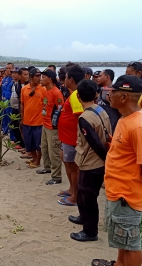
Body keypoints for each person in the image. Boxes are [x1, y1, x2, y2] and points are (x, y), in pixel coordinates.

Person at [92, 75, 142, 266]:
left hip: (127, 195)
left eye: (112, 92)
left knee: (131, 243)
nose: (108, 95)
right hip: (118, 191)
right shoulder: (125, 119)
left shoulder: (139, 127)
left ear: (124, 97)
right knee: (123, 240)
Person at [69, 79, 111, 242]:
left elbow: (95, 143)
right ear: (96, 95)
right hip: (94, 161)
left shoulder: (84, 118)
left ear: (78, 96)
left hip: (92, 163)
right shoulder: (101, 109)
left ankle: (90, 231)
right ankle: (83, 217)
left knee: (88, 196)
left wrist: (106, 161)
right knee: (84, 193)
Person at [57, 65, 85, 206]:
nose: (64, 79)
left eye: (66, 77)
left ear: (71, 79)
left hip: (72, 138)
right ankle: (71, 189)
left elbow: (81, 118)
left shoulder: (76, 95)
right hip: (67, 138)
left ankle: (75, 196)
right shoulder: (73, 93)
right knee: (67, 164)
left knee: (74, 168)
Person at [36, 70, 64, 185]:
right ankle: (47, 167)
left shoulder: (56, 93)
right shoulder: (47, 91)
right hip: (45, 124)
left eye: (43, 77)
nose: (40, 79)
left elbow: (61, 109)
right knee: (44, 147)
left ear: (50, 79)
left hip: (53, 127)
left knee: (54, 151)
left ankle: (57, 176)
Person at [20, 68, 44, 168]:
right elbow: (22, 104)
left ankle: (38, 161)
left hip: (39, 122)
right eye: (36, 76)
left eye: (40, 76)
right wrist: (22, 117)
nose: (39, 78)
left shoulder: (43, 89)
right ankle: (34, 158)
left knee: (38, 144)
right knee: (29, 142)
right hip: (27, 121)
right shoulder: (24, 89)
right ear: (31, 77)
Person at [97, 69, 120, 133]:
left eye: (100, 76)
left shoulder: (112, 92)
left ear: (107, 77)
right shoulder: (102, 90)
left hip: (111, 130)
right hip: (102, 128)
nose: (97, 78)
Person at [9, 68, 24, 149]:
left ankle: (21, 144)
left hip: (19, 108)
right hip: (13, 107)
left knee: (19, 126)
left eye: (15, 73)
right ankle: (16, 141)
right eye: (12, 73)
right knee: (14, 125)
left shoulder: (21, 85)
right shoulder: (14, 83)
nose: (13, 74)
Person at [1, 63, 14, 136]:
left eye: (10, 68)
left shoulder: (14, 79)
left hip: (10, 102)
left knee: (10, 118)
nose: (8, 70)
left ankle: (10, 133)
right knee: (4, 117)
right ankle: (4, 130)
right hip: (4, 102)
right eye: (7, 68)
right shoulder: (5, 79)